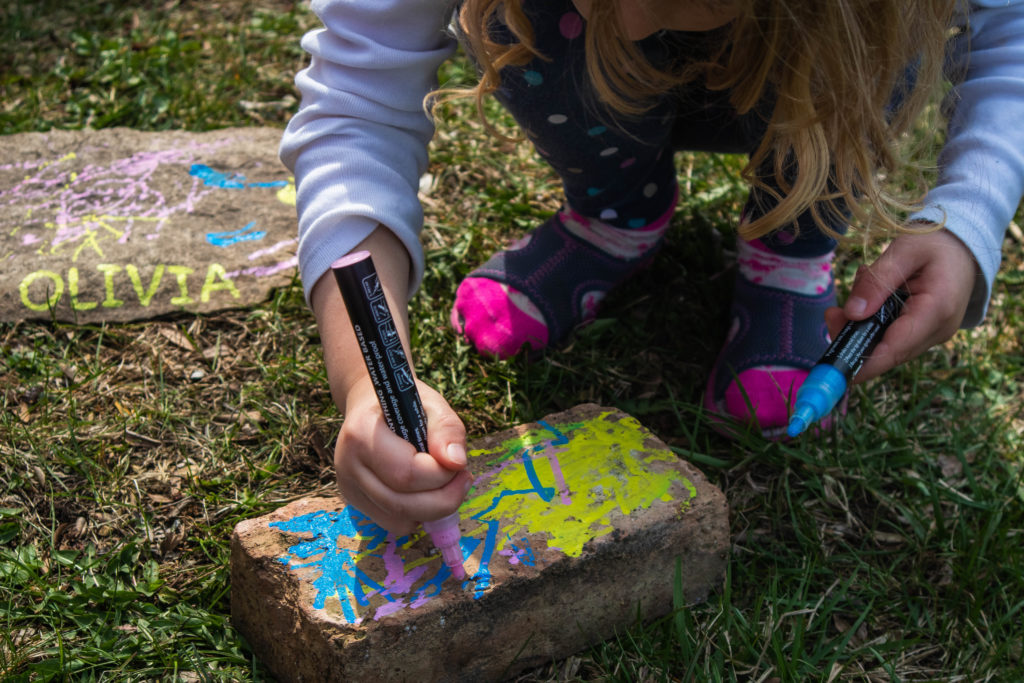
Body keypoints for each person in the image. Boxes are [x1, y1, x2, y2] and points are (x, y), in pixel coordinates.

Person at [279, 0, 1024, 534]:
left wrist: (968, 223)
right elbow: (356, 110)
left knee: (887, 19)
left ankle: (791, 247)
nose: (631, 20)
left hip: (814, 35)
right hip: (586, 65)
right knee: (530, 14)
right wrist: (366, 383)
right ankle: (616, 216)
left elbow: (1006, 34)